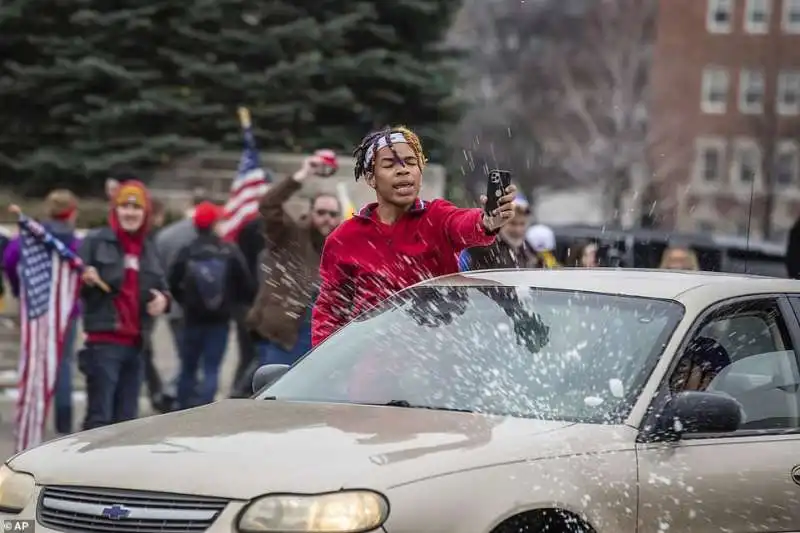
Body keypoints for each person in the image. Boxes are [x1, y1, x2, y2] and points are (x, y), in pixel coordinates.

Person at [311, 125, 516, 345]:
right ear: (371, 178)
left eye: (410, 162)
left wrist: (487, 222)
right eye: (389, 165)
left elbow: (464, 223)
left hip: (437, 354)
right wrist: (322, 364)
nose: (403, 170)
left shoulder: (437, 217)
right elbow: (330, 309)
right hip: (371, 360)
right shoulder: (344, 237)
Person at [78, 180, 170, 429]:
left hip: (138, 346)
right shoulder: (96, 241)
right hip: (104, 343)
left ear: (145, 213)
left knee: (126, 424)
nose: (130, 213)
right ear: (115, 210)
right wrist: (84, 280)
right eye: (124, 207)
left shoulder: (149, 249)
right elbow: (75, 283)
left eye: (136, 208)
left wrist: (164, 300)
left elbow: (163, 287)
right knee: (100, 419)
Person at [246, 159, 342, 366]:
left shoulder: (341, 246)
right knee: (272, 390)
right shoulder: (290, 235)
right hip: (286, 335)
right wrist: (301, 175)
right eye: (321, 212)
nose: (327, 218)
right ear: (311, 212)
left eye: (332, 214)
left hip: (322, 337)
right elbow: (269, 205)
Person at [2, 190, 82, 434]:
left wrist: (19, 289)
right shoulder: (76, 243)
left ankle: (30, 420)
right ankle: (63, 424)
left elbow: (9, 260)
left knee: (33, 362)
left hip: (34, 308)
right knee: (64, 364)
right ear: (72, 213)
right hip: (66, 311)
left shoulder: (29, 237)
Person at [169, 202, 254, 408]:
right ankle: (204, 411)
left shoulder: (187, 251)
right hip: (219, 321)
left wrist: (185, 301)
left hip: (191, 319)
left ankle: (181, 411)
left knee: (187, 368)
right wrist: (231, 303)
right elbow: (246, 285)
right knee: (211, 369)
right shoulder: (229, 251)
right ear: (215, 224)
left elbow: (172, 281)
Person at [154, 189, 209, 408]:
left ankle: (174, 392)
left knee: (184, 354)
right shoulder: (201, 234)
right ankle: (176, 394)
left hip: (171, 303)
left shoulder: (166, 235)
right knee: (195, 357)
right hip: (198, 307)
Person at [458, 195, 537, 271]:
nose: (518, 230)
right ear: (500, 223)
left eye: (522, 224)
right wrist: (485, 222)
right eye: (513, 223)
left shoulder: (529, 249)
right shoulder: (485, 246)